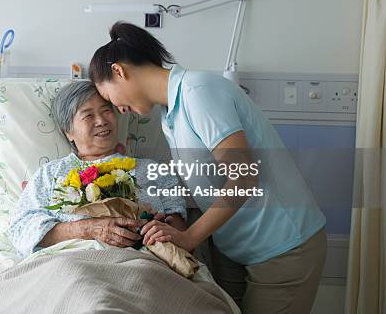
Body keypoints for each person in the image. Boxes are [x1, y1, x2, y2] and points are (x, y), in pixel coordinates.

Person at [88, 21, 327, 314]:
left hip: (283, 246)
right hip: (238, 248)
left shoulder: (198, 92)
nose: (119, 110)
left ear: (119, 71)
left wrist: (189, 237)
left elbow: (244, 176)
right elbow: (208, 179)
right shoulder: (169, 114)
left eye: (111, 99)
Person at [8, 81, 186, 258]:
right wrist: (86, 229)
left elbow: (180, 230)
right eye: (88, 116)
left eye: (106, 111)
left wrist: (165, 231)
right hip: (72, 264)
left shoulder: (151, 169)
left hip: (142, 263)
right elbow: (20, 230)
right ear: (68, 132)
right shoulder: (50, 174)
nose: (101, 121)